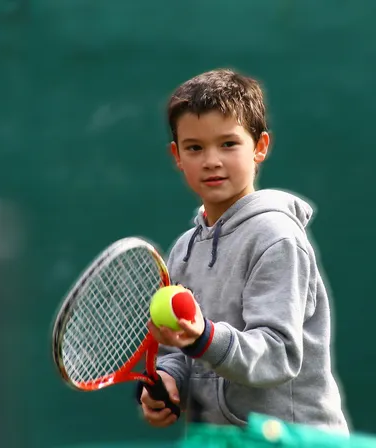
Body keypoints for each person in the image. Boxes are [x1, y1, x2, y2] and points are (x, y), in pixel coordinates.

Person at [137, 68, 349, 434]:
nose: (211, 160)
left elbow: (277, 354)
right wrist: (170, 381)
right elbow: (181, 349)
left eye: (229, 144)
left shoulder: (277, 238)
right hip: (222, 439)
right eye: (195, 148)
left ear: (260, 147)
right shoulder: (184, 251)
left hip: (295, 440)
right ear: (177, 155)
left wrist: (205, 337)